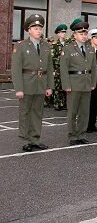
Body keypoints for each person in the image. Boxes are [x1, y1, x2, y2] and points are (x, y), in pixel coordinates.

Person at [12, 14, 53, 152]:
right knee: (25, 112)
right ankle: (26, 139)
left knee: (37, 113)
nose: (38, 31)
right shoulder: (21, 46)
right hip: (27, 83)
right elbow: (16, 69)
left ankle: (35, 139)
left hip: (41, 83)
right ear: (29, 30)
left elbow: (50, 67)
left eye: (40, 28)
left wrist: (49, 86)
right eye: (35, 28)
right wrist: (18, 88)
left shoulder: (46, 46)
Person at [60, 19, 97, 146]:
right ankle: (72, 135)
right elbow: (63, 69)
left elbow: (94, 68)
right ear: (74, 35)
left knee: (84, 111)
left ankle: (81, 134)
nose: (84, 36)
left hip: (87, 83)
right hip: (74, 83)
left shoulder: (90, 48)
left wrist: (93, 82)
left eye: (85, 33)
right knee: (73, 112)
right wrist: (66, 85)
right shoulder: (68, 48)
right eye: (81, 34)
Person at [51, 23, 68, 110]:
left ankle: (64, 103)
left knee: (65, 86)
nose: (63, 34)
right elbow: (52, 58)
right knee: (57, 87)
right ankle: (57, 103)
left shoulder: (68, 44)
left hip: (66, 69)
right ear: (58, 34)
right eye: (62, 32)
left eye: (64, 32)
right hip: (58, 69)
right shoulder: (54, 45)